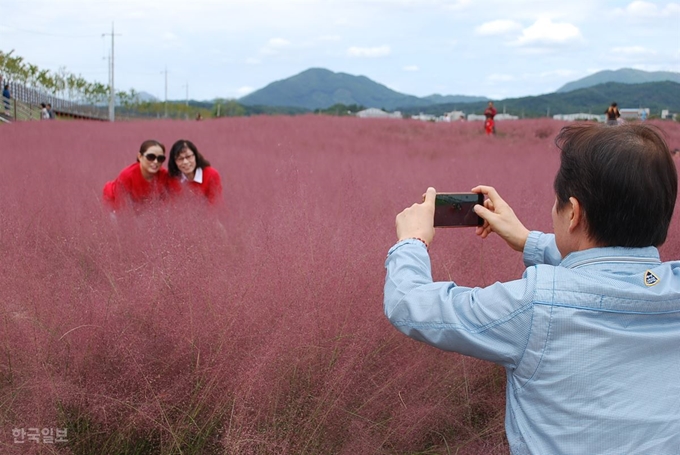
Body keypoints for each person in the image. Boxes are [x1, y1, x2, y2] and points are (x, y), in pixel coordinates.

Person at [384, 123, 680, 454]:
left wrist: (412, 241)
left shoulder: (536, 307)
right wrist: (527, 240)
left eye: (557, 205)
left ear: (574, 214)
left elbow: (410, 305)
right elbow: (611, 269)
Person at [103, 139, 180, 212]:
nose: (156, 162)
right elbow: (122, 210)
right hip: (113, 200)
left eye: (160, 158)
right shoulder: (127, 176)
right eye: (150, 157)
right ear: (140, 156)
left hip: (140, 207)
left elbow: (172, 201)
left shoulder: (165, 175)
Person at [168, 139, 222, 204]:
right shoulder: (172, 178)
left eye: (188, 157)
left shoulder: (212, 175)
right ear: (174, 162)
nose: (185, 162)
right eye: (180, 159)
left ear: (195, 156)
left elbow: (215, 206)